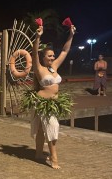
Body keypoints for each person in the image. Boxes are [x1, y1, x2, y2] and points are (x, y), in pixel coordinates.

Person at [20, 22, 75, 170]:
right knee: (52, 127)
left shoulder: (54, 67)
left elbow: (65, 51)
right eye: (49, 56)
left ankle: (38, 153)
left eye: (53, 56)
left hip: (53, 103)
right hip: (43, 102)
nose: (52, 58)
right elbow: (34, 52)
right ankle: (54, 158)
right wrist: (38, 37)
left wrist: (70, 35)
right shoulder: (40, 68)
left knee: (40, 129)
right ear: (43, 57)